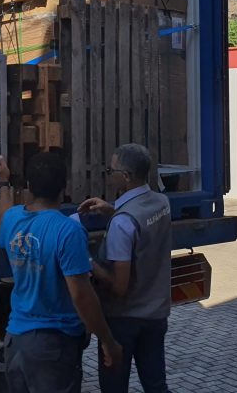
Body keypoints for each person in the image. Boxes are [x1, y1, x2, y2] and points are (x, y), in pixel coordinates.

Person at [0, 151, 121, 393]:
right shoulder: (67, 231)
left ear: (28, 187)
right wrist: (108, 341)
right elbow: (82, 296)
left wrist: (3, 183)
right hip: (53, 347)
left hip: (16, 342)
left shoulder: (13, 221)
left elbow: (4, 216)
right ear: (63, 187)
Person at [77, 144, 173, 393]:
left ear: (127, 176)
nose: (110, 174)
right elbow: (143, 225)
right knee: (156, 385)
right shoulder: (162, 203)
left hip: (124, 320)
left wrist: (87, 262)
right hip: (155, 315)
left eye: (112, 169)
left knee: (114, 387)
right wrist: (114, 210)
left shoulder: (122, 224)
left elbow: (119, 287)